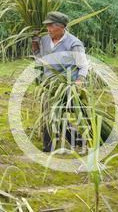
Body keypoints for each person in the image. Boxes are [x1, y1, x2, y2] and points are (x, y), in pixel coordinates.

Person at [31, 11, 89, 152]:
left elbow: (83, 65)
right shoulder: (44, 40)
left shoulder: (74, 44)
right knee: (50, 113)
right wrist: (34, 46)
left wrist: (80, 80)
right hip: (49, 85)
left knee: (54, 114)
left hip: (66, 85)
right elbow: (40, 59)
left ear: (62, 27)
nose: (48, 29)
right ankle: (54, 144)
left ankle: (55, 144)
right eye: (47, 26)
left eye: (51, 26)